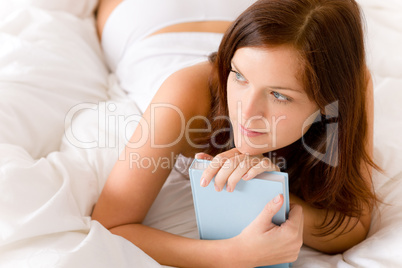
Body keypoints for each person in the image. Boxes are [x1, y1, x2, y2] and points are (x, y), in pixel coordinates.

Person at [92, 0, 378, 266]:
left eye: (279, 95)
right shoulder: (185, 93)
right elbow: (110, 225)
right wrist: (232, 254)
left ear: (328, 104)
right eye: (238, 76)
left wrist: (278, 199)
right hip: (141, 21)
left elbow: (355, 225)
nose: (245, 111)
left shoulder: (350, 88)